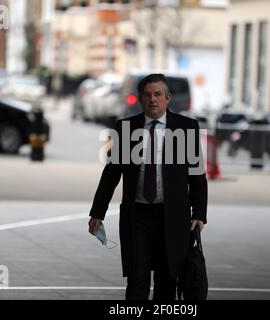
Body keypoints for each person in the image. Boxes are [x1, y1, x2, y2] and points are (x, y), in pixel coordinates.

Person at [88, 73, 208, 300]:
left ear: (168, 98)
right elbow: (111, 174)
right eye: (147, 95)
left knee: (167, 281)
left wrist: (200, 212)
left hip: (172, 217)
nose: (153, 99)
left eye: (158, 94)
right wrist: (97, 212)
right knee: (137, 279)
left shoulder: (186, 128)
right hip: (137, 217)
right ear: (140, 99)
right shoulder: (125, 129)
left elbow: (197, 175)